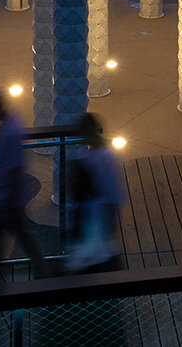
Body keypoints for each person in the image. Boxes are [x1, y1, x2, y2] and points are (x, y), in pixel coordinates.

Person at [0, 88, 47, 278]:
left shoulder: (10, 130)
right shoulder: (8, 125)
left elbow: (13, 168)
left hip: (8, 198)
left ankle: (42, 273)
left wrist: (8, 201)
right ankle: (42, 271)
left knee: (8, 236)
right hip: (8, 197)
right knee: (23, 235)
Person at [65, 112, 125, 273]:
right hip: (97, 214)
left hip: (92, 215)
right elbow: (113, 189)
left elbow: (108, 188)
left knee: (92, 256)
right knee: (102, 251)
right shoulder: (103, 155)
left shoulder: (91, 157)